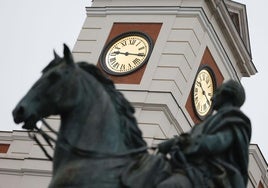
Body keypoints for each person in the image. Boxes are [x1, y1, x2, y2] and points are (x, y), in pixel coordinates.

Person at [157, 80, 251, 188]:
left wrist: (183, 142)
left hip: (209, 174)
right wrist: (172, 143)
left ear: (226, 95)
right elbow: (189, 139)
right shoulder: (209, 121)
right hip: (186, 165)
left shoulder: (234, 121)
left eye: (217, 92)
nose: (212, 97)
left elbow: (216, 143)